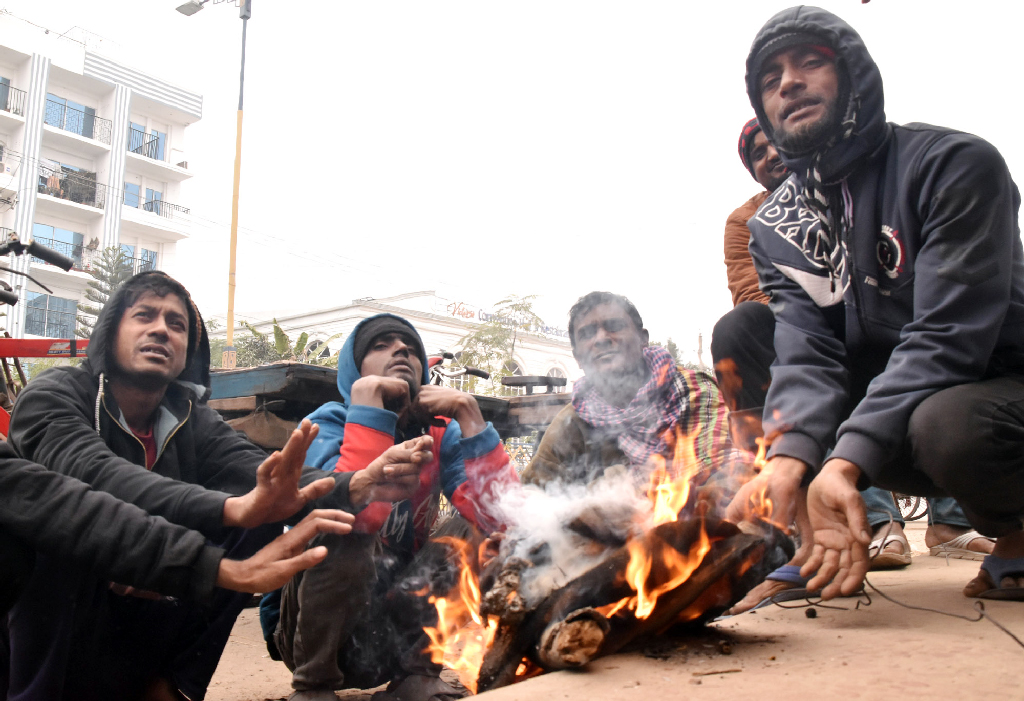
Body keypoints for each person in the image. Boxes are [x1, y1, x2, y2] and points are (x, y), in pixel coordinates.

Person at [728, 6, 1024, 602]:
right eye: (770, 78)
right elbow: (805, 351)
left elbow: (948, 339)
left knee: (950, 423)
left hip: (993, 390)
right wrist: (788, 461)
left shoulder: (951, 165)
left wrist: (846, 461)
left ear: (855, 76)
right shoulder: (776, 225)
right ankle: (818, 539)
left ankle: (1017, 532)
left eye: (811, 62)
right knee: (747, 330)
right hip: (903, 412)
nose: (788, 82)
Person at [5, 270, 361, 701]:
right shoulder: (56, 395)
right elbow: (93, 474)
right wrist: (226, 514)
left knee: (263, 513)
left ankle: (173, 686)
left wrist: (357, 483)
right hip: (59, 613)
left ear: (188, 350)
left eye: (177, 324)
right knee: (59, 532)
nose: (161, 329)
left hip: (154, 586)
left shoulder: (192, 417)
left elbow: (256, 468)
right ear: (109, 333)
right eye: (144, 316)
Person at [716, 118, 992, 613]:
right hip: (826, 348)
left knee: (941, 396)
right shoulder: (753, 224)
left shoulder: (903, 174)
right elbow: (763, 300)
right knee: (746, 330)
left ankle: (969, 522)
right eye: (756, 153)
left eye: (774, 142)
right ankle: (819, 534)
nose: (771, 156)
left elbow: (943, 315)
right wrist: (820, 318)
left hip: (909, 342)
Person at [271, 313, 519, 701]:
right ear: (355, 368)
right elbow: (361, 513)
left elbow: (504, 521)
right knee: (343, 526)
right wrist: (368, 403)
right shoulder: (328, 423)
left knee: (474, 530)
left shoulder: (439, 432)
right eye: (380, 345)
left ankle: (416, 674)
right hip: (318, 633)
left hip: (395, 631)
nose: (401, 349)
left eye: (408, 347)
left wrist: (469, 414)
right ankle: (313, 686)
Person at [522, 291, 733, 490]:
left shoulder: (691, 392)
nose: (601, 338)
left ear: (643, 339)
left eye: (614, 326)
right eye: (587, 333)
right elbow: (531, 495)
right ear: (577, 357)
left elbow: (723, 472)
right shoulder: (573, 420)